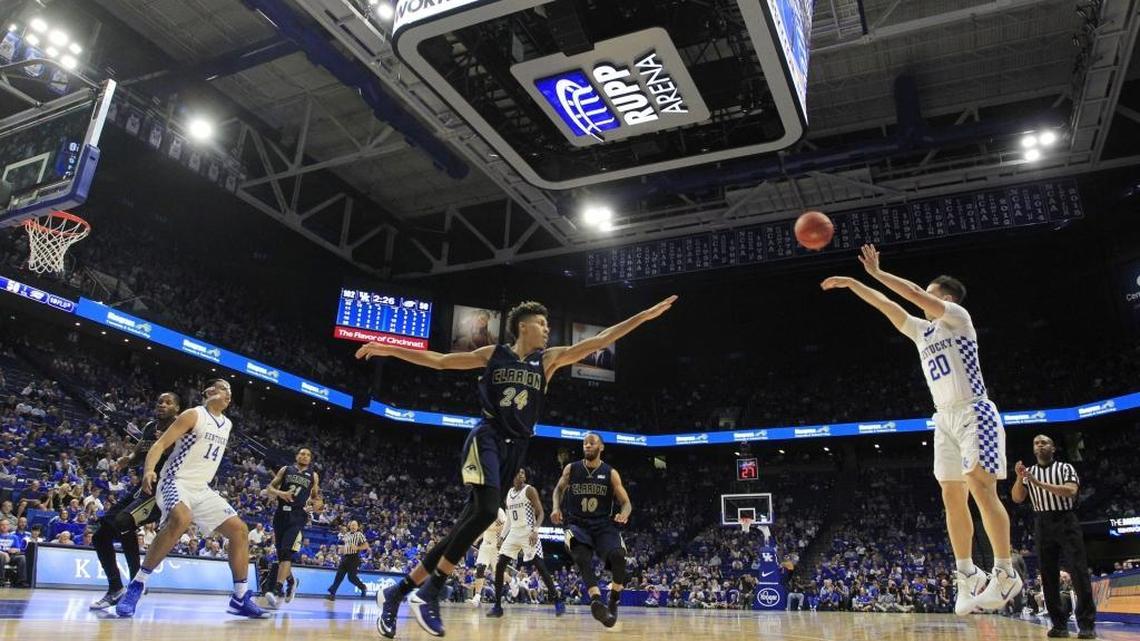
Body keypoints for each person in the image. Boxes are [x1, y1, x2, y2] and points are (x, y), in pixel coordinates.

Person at [361, 296, 676, 638]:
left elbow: (599, 341)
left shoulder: (549, 360)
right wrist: (390, 348)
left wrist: (642, 316)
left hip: (517, 448)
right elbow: (440, 361)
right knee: (484, 513)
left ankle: (398, 592)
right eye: (542, 325)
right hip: (488, 437)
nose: (547, 330)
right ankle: (430, 591)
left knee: (462, 529)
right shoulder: (493, 354)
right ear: (524, 326)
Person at [821, 245, 1021, 615]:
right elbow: (888, 306)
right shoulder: (922, 331)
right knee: (951, 494)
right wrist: (853, 283)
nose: (920, 299)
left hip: (974, 411)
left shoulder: (958, 318)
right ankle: (968, 575)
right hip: (943, 418)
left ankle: (1005, 572)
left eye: (929, 295)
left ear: (944, 298)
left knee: (980, 483)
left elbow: (909, 293)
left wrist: (878, 272)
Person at [114, 379, 264, 618]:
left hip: (201, 488)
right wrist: (149, 470)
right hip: (175, 480)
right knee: (182, 518)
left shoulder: (227, 424)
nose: (228, 394)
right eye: (224, 389)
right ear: (208, 392)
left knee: (240, 530)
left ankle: (239, 597)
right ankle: (137, 584)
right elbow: (160, 444)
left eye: (230, 392)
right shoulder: (193, 415)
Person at [89, 392, 180, 610]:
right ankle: (115, 588)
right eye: (159, 401)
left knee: (123, 521)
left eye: (168, 402)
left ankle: (135, 583)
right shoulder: (150, 427)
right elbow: (139, 454)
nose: (162, 404)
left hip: (165, 490)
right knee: (100, 536)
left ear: (177, 409)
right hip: (144, 488)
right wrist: (127, 460)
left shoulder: (181, 428)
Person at [1012, 435, 1097, 639]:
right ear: (1033, 449)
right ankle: (1059, 624)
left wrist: (1037, 483)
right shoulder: (1028, 472)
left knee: (1078, 571)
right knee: (1048, 576)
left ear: (1053, 448)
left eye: (1044, 443)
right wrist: (1018, 477)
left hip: (1066, 520)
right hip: (1042, 521)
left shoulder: (1065, 468)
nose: (1040, 446)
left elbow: (1070, 491)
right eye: (1036, 443)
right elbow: (1017, 498)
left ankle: (1086, 625)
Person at [551, 432, 633, 628]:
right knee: (581, 556)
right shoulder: (572, 469)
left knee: (618, 557)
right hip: (578, 524)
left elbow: (626, 502)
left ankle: (613, 599)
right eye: (585, 443)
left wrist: (624, 514)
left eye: (592, 443)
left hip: (603, 525)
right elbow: (558, 489)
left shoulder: (610, 473)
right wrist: (555, 507)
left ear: (601, 447)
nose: (587, 445)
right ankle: (596, 600)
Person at [488, 468, 564, 617]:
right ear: (513, 476)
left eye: (524, 473)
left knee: (540, 566)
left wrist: (536, 530)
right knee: (500, 565)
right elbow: (509, 520)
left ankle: (558, 601)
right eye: (520, 473)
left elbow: (540, 512)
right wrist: (502, 537)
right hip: (514, 533)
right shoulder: (509, 494)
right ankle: (497, 606)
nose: (523, 475)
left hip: (528, 532)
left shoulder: (530, 490)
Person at [265, 447, 321, 608]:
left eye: (308, 455)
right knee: (281, 556)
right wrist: (280, 493)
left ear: (310, 459)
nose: (305, 456)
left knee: (286, 553)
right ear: (297, 456)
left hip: (297, 516)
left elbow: (316, 498)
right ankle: (291, 581)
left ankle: (276, 590)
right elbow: (270, 488)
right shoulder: (285, 470)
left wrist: (315, 504)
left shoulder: (313, 476)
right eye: (302, 453)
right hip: (280, 514)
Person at [467, 508, 507, 606]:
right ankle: (477, 597)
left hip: (496, 547)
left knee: (498, 573)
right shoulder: (485, 511)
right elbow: (483, 529)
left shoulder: (499, 512)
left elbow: (505, 527)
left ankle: (511, 581)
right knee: (480, 568)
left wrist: (489, 528)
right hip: (485, 545)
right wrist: (477, 538)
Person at [327, 520, 369, 600]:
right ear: (349, 526)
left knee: (351, 577)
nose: (353, 526)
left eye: (355, 525)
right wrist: (341, 550)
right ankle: (332, 594)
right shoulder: (346, 535)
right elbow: (345, 546)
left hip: (354, 558)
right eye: (352, 525)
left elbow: (366, 545)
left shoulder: (359, 534)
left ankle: (363, 587)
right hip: (345, 557)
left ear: (357, 527)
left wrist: (357, 548)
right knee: (339, 576)